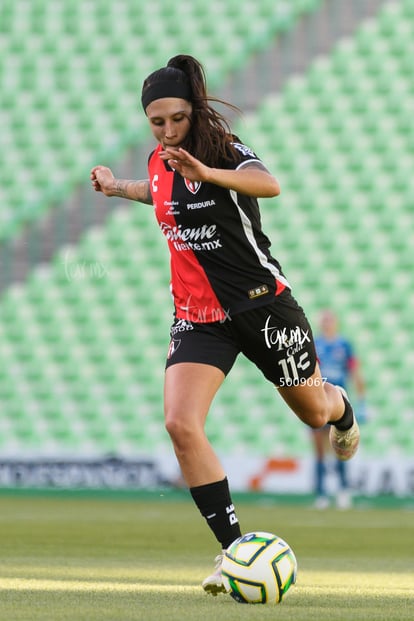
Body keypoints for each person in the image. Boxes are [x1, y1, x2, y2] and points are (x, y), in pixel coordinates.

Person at [90, 54, 360, 596]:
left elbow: (268, 183)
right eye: (157, 121)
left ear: (195, 110)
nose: (167, 130)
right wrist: (121, 186)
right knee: (179, 424)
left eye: (177, 118)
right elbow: (163, 196)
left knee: (313, 413)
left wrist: (210, 173)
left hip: (263, 306)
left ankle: (343, 410)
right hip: (198, 318)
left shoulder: (223, 149)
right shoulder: (158, 161)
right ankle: (234, 551)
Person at [312, 309, 366, 509]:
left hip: (339, 403)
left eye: (330, 320)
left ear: (335, 323)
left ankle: (343, 490)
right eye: (324, 320)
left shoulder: (344, 345)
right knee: (318, 450)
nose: (327, 323)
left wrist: (362, 402)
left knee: (341, 447)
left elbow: (354, 372)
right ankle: (321, 494)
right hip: (318, 401)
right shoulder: (315, 344)